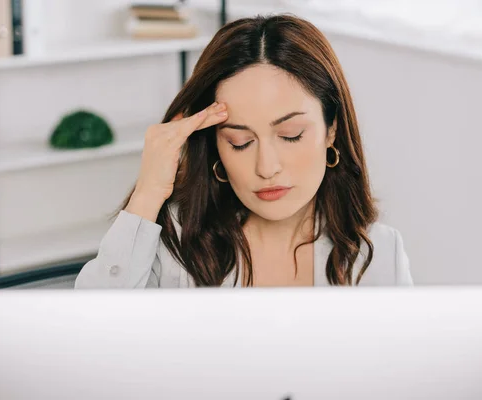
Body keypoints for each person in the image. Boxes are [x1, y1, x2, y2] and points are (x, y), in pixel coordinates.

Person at [75, 14, 413, 289]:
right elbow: (85, 337)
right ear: (216, 146)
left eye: (291, 135)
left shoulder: (379, 253)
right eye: (240, 142)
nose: (266, 168)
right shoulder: (176, 244)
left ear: (332, 131)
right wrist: (148, 194)